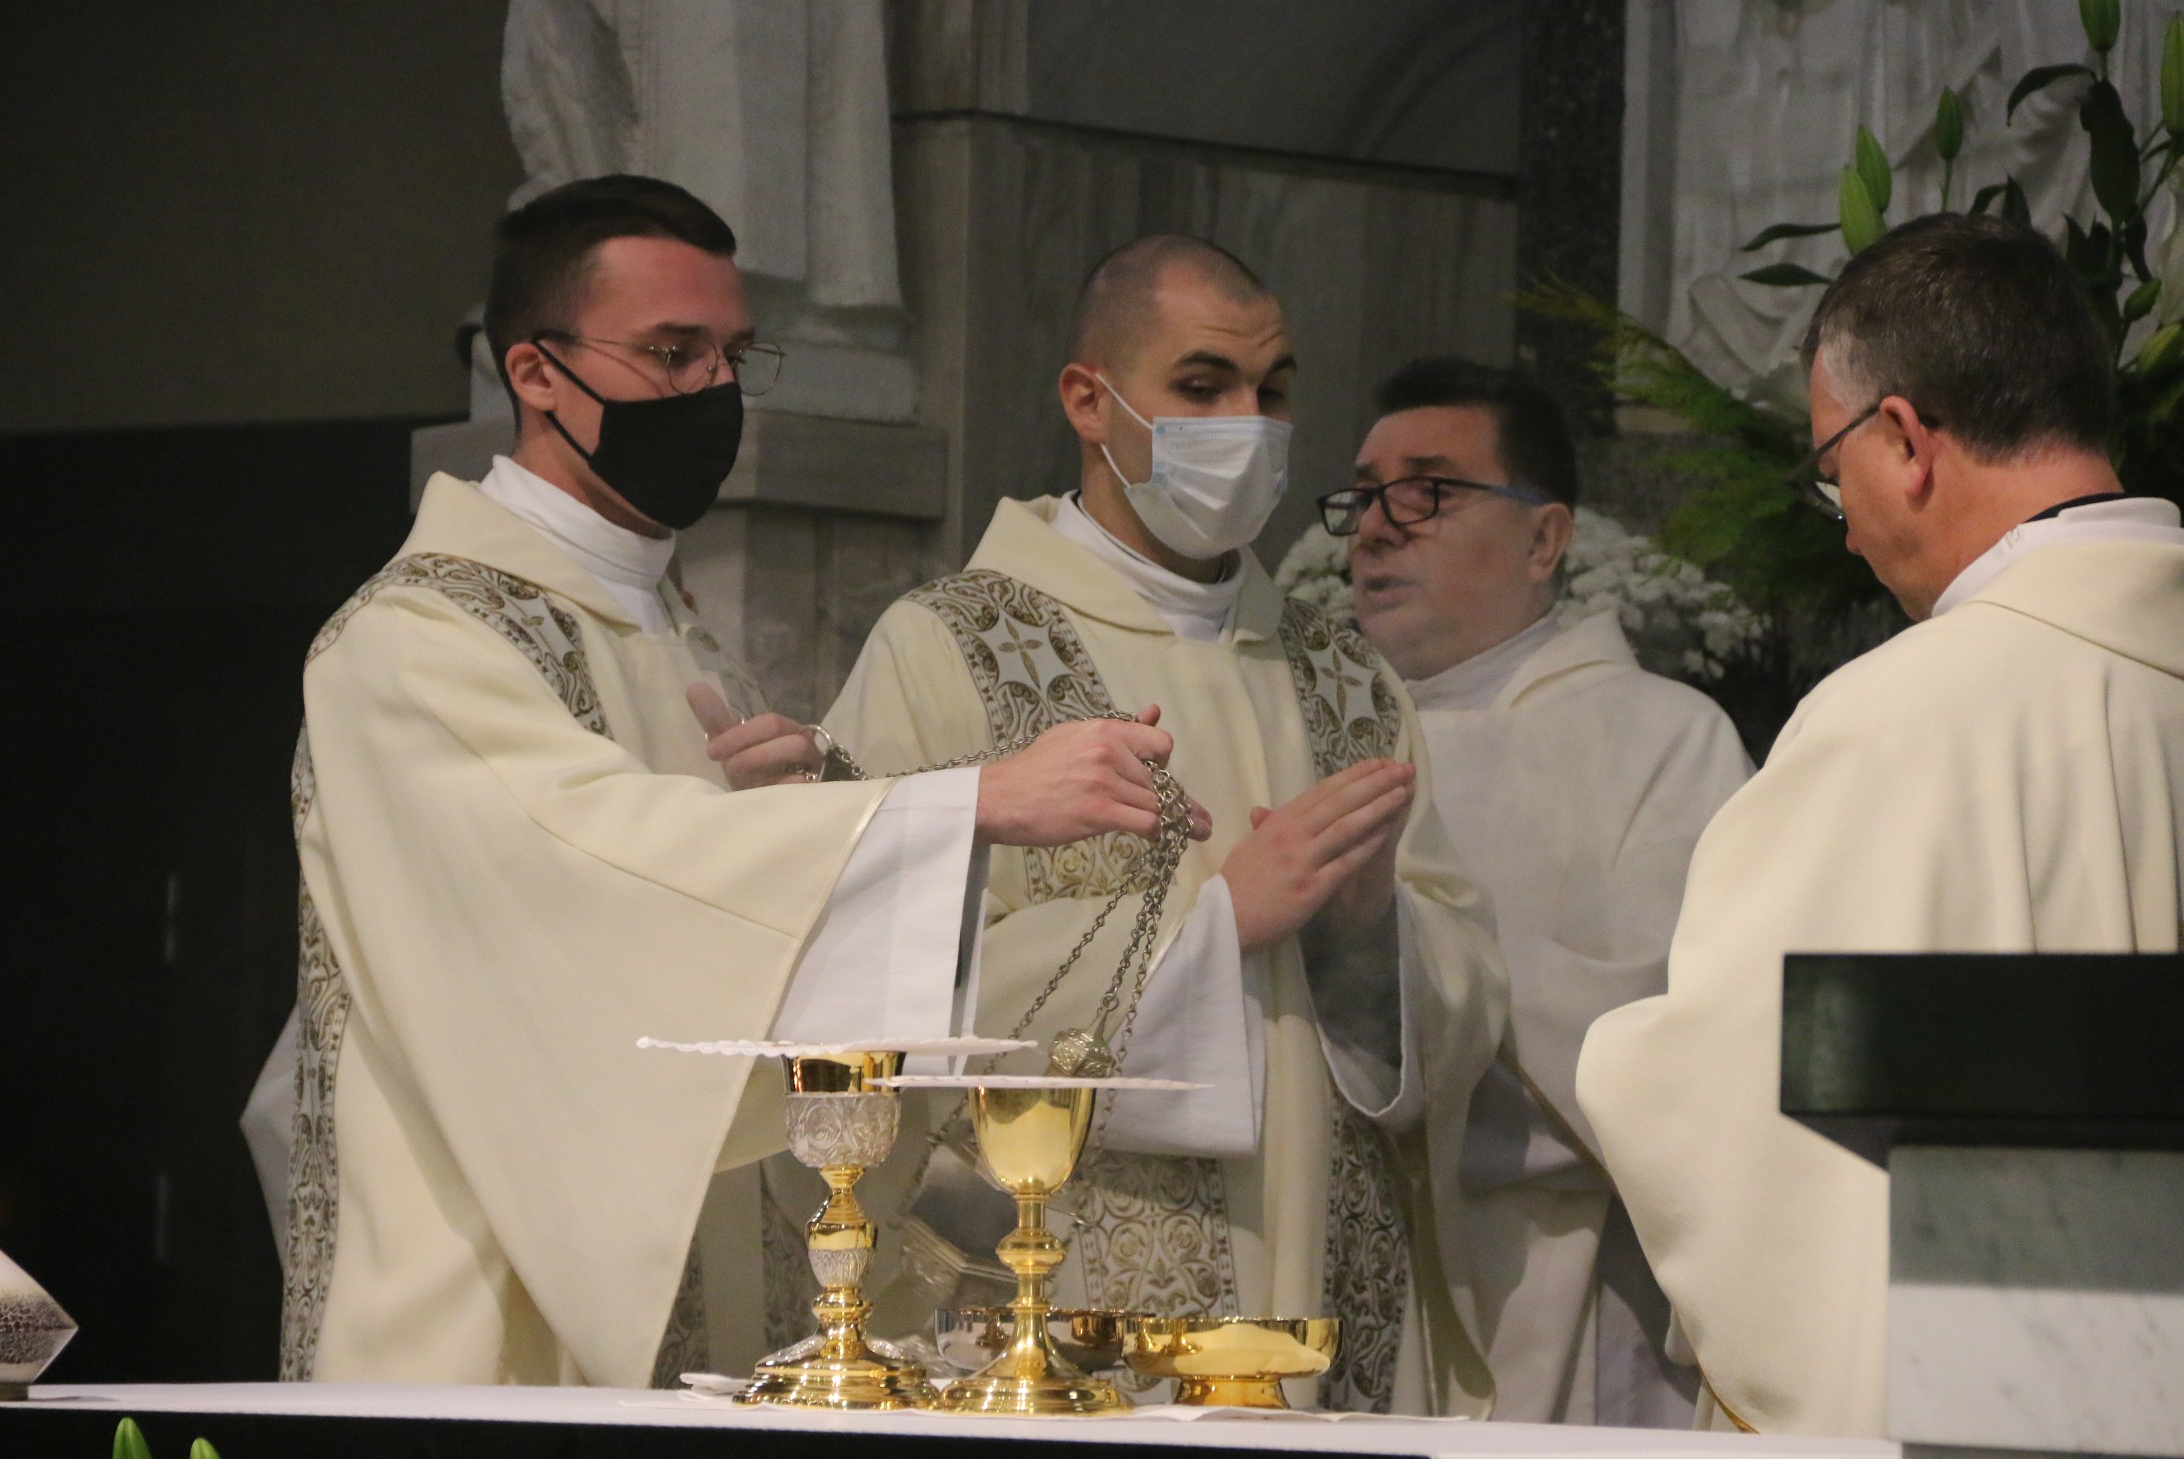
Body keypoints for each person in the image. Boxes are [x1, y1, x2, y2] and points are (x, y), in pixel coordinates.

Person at [271, 174, 1196, 1388]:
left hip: (720, 1303)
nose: (712, 390)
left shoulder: (676, 637)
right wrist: (969, 802)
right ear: (534, 372)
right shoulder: (413, 641)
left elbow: (719, 944)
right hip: (481, 1330)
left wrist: (818, 811)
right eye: (671, 353)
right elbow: (595, 874)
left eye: (732, 355)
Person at [747, 235, 1508, 1415]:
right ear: (1087, 401)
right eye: (1201, 387)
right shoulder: (947, 647)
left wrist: (1372, 938)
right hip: (1060, 1303)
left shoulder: (1346, 675)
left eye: (1272, 390)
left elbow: (1464, 995)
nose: (1246, 424)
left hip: (1327, 1290)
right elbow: (867, 992)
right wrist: (1213, 926)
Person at [1576, 212, 2184, 1437]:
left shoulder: (1904, 719)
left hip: (2016, 1400)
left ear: (1902, 439)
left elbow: (1746, 1093)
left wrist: (1614, 1056)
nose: (1843, 527)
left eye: (1829, 470)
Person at [1334, 357, 1750, 1427]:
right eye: (1365, 495)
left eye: (1426, 491)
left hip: (1559, 1286)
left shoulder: (1663, 737)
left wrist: (1394, 955)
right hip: (1342, 1278)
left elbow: (1683, 1041)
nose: (1375, 528)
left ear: (1544, 538)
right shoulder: (1316, 732)